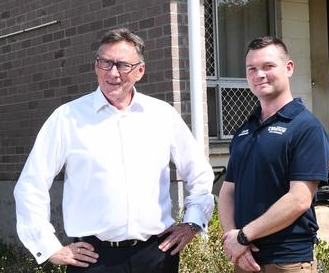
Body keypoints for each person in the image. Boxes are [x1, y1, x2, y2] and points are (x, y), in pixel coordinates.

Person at [14, 28, 214, 272]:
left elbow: (200, 174)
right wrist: (48, 246)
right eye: (105, 63)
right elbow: (31, 184)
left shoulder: (162, 115)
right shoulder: (67, 118)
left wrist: (193, 222)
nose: (113, 73)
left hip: (156, 256)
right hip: (93, 259)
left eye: (122, 65)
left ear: (140, 71)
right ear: (96, 66)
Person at [218, 36, 329, 273]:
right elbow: (228, 190)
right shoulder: (245, 130)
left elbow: (299, 199)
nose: (259, 74)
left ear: (288, 68)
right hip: (245, 259)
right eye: (252, 69)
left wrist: (243, 236)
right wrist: (233, 238)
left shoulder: (305, 127)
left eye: (268, 66)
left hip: (286, 260)